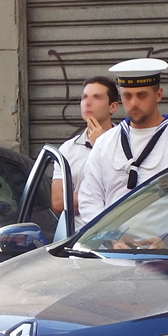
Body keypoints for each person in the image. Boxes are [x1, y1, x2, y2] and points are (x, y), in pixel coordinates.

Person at [77, 58, 168, 229]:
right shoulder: (105, 143)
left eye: (141, 95)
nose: (134, 103)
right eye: (127, 96)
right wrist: (109, 237)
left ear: (158, 95)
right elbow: (90, 200)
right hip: (110, 250)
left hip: (163, 252)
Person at [50, 75, 120, 230]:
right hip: (77, 239)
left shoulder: (126, 144)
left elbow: (125, 196)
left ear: (113, 107)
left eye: (97, 97)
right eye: (84, 97)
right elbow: (58, 204)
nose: (87, 103)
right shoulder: (67, 149)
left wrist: (101, 146)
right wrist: (96, 198)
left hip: (118, 234)